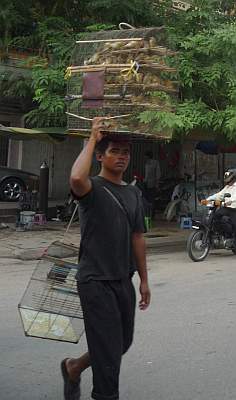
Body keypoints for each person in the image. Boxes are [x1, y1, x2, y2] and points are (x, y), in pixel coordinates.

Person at [61, 117, 151, 400]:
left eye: (125, 152)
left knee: (121, 342)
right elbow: (76, 178)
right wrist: (92, 137)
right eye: (115, 151)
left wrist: (144, 280)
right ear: (100, 156)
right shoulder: (92, 188)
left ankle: (74, 367)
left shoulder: (134, 193)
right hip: (95, 280)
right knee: (110, 353)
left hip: (123, 279)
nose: (122, 157)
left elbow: (138, 237)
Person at [207, 169, 236, 239]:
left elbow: (234, 198)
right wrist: (207, 200)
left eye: (229, 180)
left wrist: (230, 201)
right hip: (226, 208)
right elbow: (219, 195)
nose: (228, 182)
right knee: (215, 216)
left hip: (234, 210)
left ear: (234, 178)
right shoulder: (227, 187)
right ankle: (223, 234)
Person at [144, 150, 161, 218]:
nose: (144, 158)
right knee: (147, 200)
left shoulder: (155, 163)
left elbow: (158, 174)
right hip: (146, 184)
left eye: (145, 156)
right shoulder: (146, 163)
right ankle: (147, 214)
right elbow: (146, 175)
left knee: (152, 200)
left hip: (152, 184)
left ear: (148, 156)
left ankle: (151, 215)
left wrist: (157, 184)